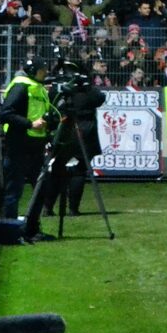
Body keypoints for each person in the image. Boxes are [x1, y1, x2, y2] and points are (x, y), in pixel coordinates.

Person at [23, 65, 106, 239]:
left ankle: (48, 207)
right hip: (83, 130)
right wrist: (86, 86)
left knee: (56, 168)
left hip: (65, 129)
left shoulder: (58, 92)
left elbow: (52, 101)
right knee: (79, 169)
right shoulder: (87, 92)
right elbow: (99, 98)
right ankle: (73, 208)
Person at [0, 57, 51, 225]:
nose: (46, 73)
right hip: (18, 144)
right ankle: (10, 228)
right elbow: (5, 114)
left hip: (35, 144)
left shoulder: (39, 88)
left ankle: (32, 227)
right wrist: (30, 124)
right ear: (35, 71)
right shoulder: (21, 87)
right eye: (43, 70)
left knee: (39, 188)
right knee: (14, 189)